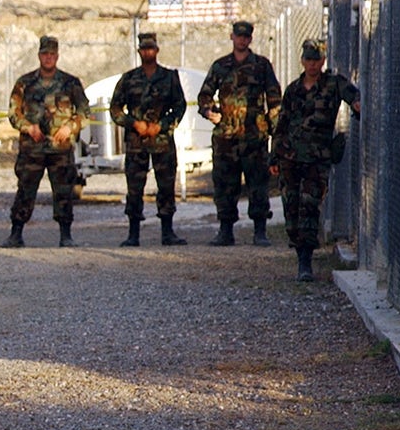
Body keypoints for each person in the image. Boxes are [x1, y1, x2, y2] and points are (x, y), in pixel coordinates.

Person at [269, 39, 361, 281]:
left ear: (322, 60)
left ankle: (305, 261)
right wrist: (274, 156)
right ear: (302, 61)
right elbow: (282, 125)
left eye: (316, 59)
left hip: (317, 159)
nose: (312, 64)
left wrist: (357, 105)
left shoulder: (332, 84)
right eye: (308, 59)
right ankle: (298, 246)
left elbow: (354, 96)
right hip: (290, 158)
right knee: (291, 209)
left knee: (309, 206)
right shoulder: (293, 89)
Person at [198, 20, 282, 246]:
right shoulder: (220, 66)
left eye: (246, 37)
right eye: (239, 36)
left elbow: (274, 98)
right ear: (232, 37)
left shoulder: (261, 65)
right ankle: (225, 230)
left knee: (258, 183)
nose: (242, 40)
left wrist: (274, 128)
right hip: (226, 136)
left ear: (250, 39)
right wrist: (209, 111)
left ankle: (260, 230)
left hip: (254, 135)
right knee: (225, 184)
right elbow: (204, 95)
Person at [6, 35, 89, 248]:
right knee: (25, 189)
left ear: (57, 56)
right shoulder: (24, 83)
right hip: (32, 148)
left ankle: (65, 235)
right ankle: (16, 233)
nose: (48, 58)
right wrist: (28, 127)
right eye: (45, 54)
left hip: (60, 149)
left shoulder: (70, 83)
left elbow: (84, 112)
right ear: (39, 56)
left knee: (63, 191)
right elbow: (13, 113)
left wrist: (69, 127)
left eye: (52, 54)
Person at [109, 32, 189, 246]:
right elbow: (115, 109)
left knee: (166, 186)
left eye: (151, 48)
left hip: (162, 141)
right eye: (144, 49)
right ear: (139, 51)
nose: (148, 52)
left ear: (157, 50)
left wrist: (161, 126)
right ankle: (133, 233)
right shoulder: (129, 78)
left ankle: (167, 231)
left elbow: (180, 106)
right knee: (134, 188)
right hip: (137, 143)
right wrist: (133, 123)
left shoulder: (169, 77)